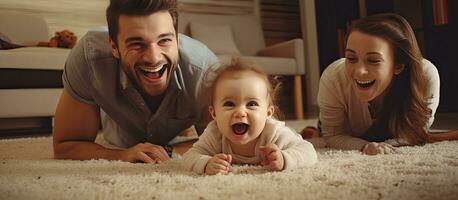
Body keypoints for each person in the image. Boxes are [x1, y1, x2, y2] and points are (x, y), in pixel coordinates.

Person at [53, 0, 218, 163]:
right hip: (119, 134)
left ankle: (185, 127)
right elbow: (66, 145)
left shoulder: (205, 72)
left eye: (164, 40)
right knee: (119, 140)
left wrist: (170, 151)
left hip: (188, 104)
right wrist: (120, 155)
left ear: (177, 39)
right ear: (113, 47)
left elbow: (227, 141)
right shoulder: (89, 59)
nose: (154, 58)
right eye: (137, 44)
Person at [305, 13, 442, 155]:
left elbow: (415, 133)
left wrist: (387, 144)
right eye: (351, 58)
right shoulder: (333, 77)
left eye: (373, 60)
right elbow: (333, 136)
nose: (359, 72)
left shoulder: (425, 77)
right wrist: (365, 146)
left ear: (398, 66)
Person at [182, 58, 317, 175]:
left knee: (296, 138)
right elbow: (189, 157)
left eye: (251, 104)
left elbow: (309, 151)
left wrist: (285, 158)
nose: (240, 112)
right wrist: (206, 164)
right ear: (214, 113)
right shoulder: (215, 134)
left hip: (283, 139)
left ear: (268, 113)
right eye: (229, 104)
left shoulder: (273, 133)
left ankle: (304, 133)